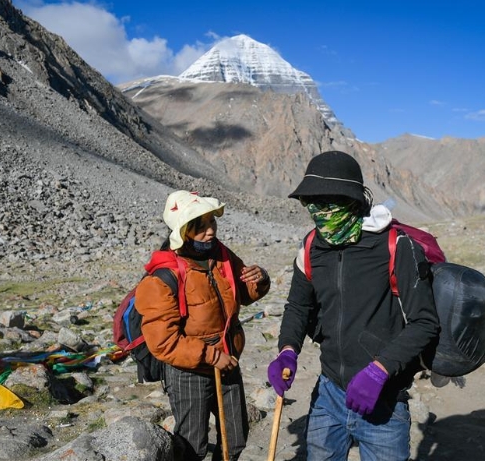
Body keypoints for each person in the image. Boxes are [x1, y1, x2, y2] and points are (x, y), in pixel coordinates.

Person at [267, 151, 439, 460]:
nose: (319, 212)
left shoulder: (396, 247)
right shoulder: (311, 247)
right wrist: (287, 350)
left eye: (328, 203)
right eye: (312, 204)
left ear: (353, 201)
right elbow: (298, 307)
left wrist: (379, 371)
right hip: (328, 394)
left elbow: (425, 322)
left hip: (384, 402)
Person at [134, 190, 270, 460]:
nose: (210, 231)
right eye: (201, 227)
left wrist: (260, 280)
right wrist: (211, 356)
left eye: (212, 223)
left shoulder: (221, 255)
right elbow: (163, 342)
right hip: (189, 370)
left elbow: (242, 293)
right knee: (192, 447)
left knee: (235, 439)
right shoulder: (162, 278)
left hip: (227, 359)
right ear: (183, 231)